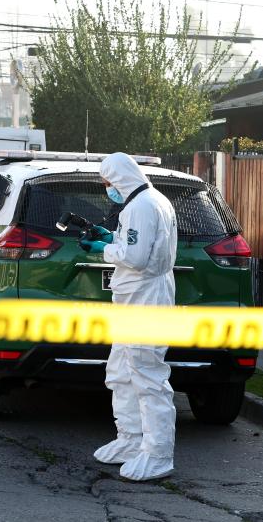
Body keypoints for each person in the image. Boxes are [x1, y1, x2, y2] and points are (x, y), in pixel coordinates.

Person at [79, 152, 178, 481]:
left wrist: (102, 249)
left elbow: (135, 259)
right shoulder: (152, 201)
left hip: (144, 300)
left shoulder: (140, 206)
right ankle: (131, 439)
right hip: (139, 297)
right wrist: (114, 238)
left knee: (148, 376)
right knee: (122, 370)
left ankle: (158, 454)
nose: (108, 189)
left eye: (108, 183)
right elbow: (141, 246)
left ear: (119, 178)